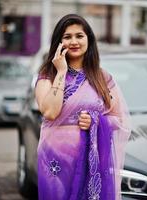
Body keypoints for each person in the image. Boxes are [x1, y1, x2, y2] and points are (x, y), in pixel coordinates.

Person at [35, 14, 131, 200]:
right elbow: (50, 111)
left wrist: (96, 120)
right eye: (67, 36)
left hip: (90, 158)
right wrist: (61, 71)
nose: (74, 41)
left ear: (89, 40)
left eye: (79, 36)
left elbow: (120, 120)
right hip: (55, 159)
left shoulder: (102, 77)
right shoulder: (48, 74)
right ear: (59, 41)